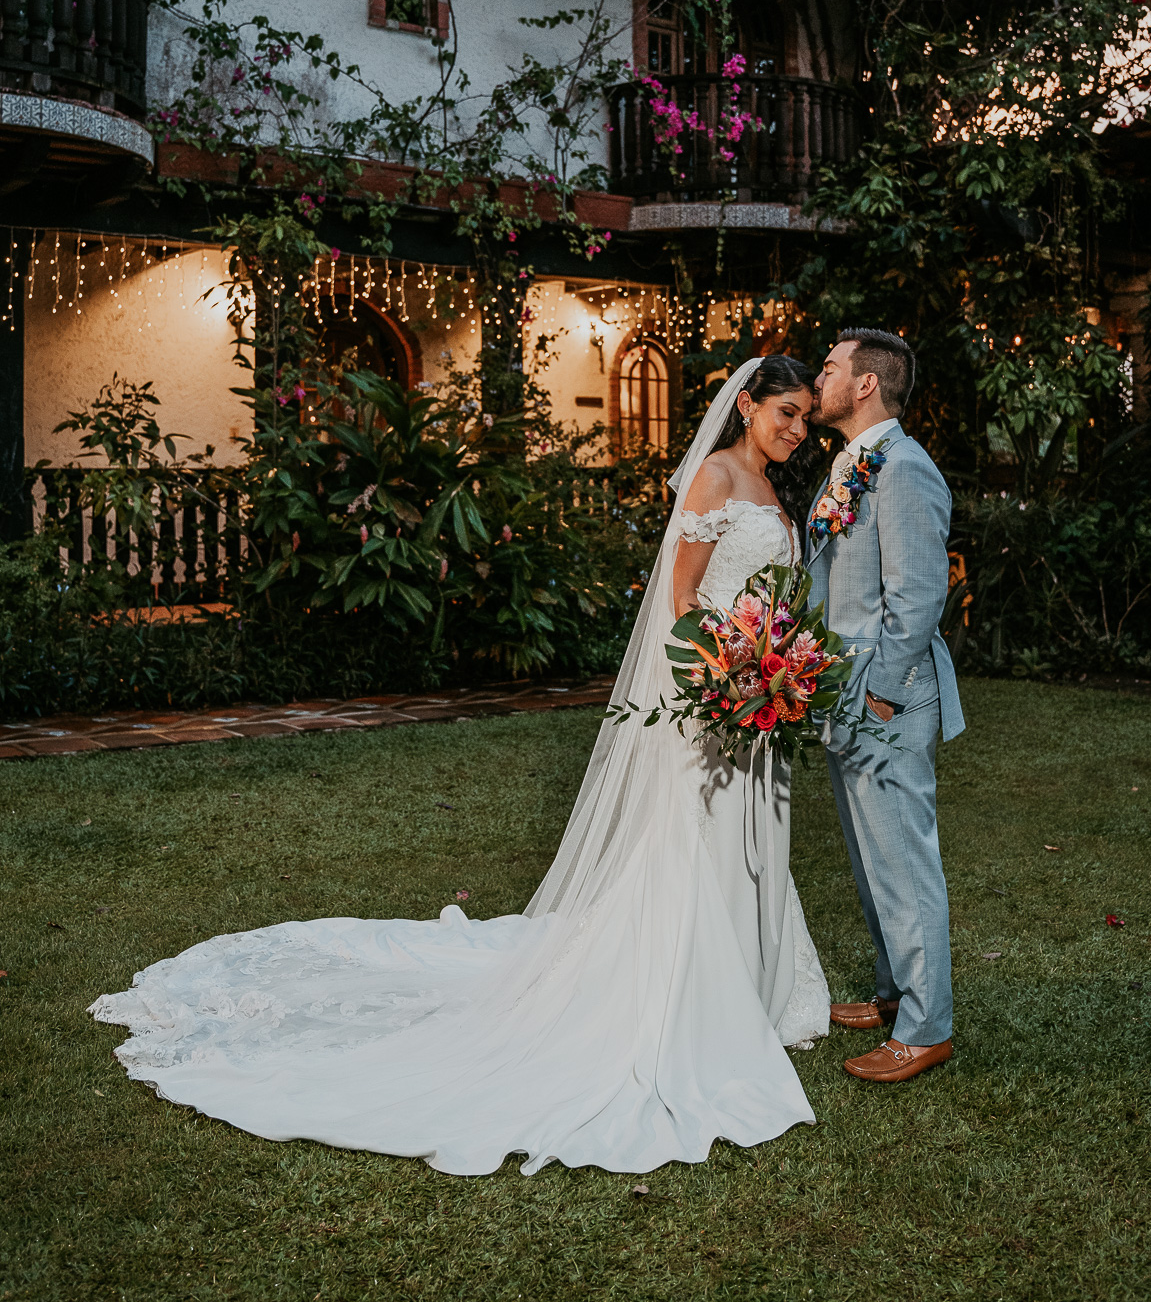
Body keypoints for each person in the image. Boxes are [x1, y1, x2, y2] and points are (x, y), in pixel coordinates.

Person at [90, 357, 831, 1176]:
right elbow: (682, 596)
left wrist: (777, 664)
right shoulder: (718, 476)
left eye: (803, 420)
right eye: (784, 413)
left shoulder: (779, 490)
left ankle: (753, 986)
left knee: (751, 832)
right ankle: (690, 999)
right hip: (715, 687)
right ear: (748, 406)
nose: (795, 432)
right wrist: (723, 669)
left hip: (761, 691)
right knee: (699, 840)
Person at [806, 327, 965, 1084]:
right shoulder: (853, 464)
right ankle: (892, 994)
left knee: (903, 856)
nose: (819, 377)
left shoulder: (903, 468)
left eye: (830, 368)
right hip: (847, 688)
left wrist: (879, 695)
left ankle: (927, 1027)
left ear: (866, 384)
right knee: (874, 862)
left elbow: (919, 596)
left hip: (887, 697)